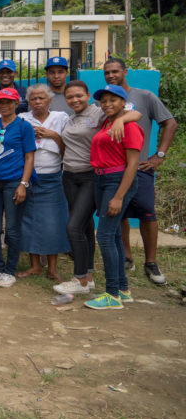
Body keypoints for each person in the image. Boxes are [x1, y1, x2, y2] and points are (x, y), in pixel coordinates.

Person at [55, 80, 140, 297]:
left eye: (79, 96)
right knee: (82, 228)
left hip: (91, 177)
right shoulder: (71, 118)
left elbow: (134, 114)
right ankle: (90, 279)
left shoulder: (100, 114)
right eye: (70, 97)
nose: (75, 100)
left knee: (75, 227)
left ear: (88, 95)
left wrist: (122, 119)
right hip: (70, 176)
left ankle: (81, 279)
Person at [103, 57, 177, 284]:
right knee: (121, 214)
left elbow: (170, 122)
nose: (111, 75)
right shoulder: (104, 101)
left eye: (115, 71)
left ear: (125, 71)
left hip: (141, 166)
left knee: (146, 212)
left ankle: (151, 262)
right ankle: (127, 256)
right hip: (115, 169)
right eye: (107, 73)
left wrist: (159, 156)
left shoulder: (143, 96)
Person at [84, 84, 143, 310]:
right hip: (102, 179)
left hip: (117, 180)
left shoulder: (130, 127)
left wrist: (119, 196)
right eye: (104, 101)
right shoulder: (108, 122)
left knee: (106, 236)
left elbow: (133, 165)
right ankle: (122, 289)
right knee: (115, 234)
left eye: (113, 100)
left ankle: (111, 295)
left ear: (123, 102)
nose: (107, 104)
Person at [0, 87, 36, 288]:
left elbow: (29, 157)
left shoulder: (23, 126)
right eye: (0, 102)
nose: (3, 105)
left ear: (16, 103)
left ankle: (10, 271)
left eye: (8, 102)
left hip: (14, 182)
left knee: (12, 228)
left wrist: (23, 184)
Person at [17, 84, 70, 281]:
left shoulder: (60, 118)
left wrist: (53, 135)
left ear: (49, 100)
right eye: (33, 99)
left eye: (41, 98)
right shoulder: (22, 119)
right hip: (28, 178)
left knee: (53, 223)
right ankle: (35, 266)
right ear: (28, 102)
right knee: (29, 221)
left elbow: (69, 147)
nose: (37, 102)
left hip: (53, 177)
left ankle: (53, 268)